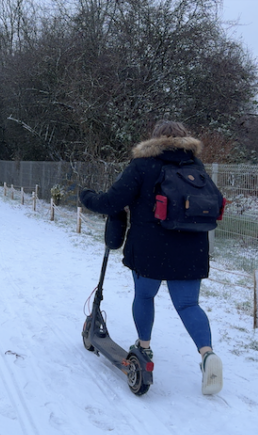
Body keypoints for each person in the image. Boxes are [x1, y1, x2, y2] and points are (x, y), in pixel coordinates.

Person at [79, 120, 223, 395]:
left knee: (145, 296)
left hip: (150, 248)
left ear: (155, 139)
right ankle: (207, 355)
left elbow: (111, 201)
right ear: (184, 140)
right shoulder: (195, 167)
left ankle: (144, 348)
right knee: (189, 304)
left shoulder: (142, 165)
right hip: (192, 249)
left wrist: (86, 197)